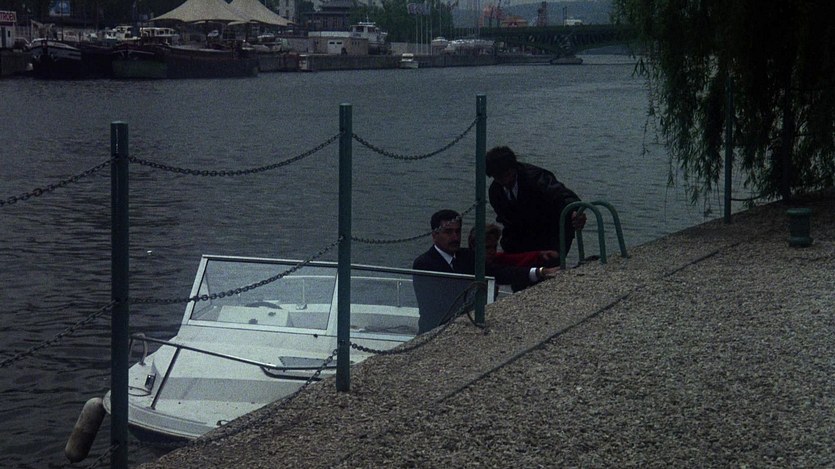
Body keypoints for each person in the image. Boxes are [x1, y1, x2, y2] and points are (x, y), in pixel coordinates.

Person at [412, 209, 557, 333]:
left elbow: (499, 272)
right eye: (448, 232)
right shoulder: (424, 263)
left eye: (458, 231)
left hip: (465, 326)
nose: (455, 237)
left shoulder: (467, 256)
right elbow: (434, 304)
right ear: (434, 235)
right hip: (435, 330)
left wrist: (539, 272)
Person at [485, 146, 586, 259]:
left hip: (552, 231)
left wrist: (575, 212)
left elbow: (564, 196)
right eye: (498, 177)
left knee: (549, 260)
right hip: (521, 234)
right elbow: (505, 220)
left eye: (506, 175)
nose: (505, 181)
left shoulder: (538, 179)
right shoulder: (495, 191)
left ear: (513, 169)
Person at [468, 224, 559, 268]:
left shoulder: (495, 259)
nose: (492, 251)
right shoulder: (466, 262)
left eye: (494, 247)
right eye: (487, 248)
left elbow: (517, 259)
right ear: (473, 246)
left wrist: (540, 254)